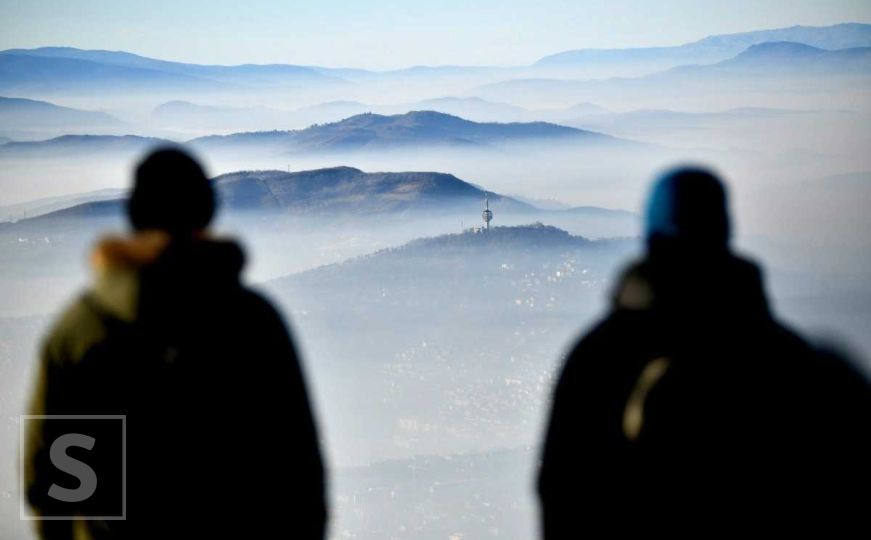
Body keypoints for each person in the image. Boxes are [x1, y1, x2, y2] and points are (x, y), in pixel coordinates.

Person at [537, 167, 870, 536]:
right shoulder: (794, 361)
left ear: (650, 235)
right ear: (725, 230)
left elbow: (561, 493)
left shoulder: (598, 358)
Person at [24, 148, 327, 539]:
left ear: (134, 217)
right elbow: (296, 470)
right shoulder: (252, 324)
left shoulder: (80, 333)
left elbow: (54, 483)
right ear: (207, 212)